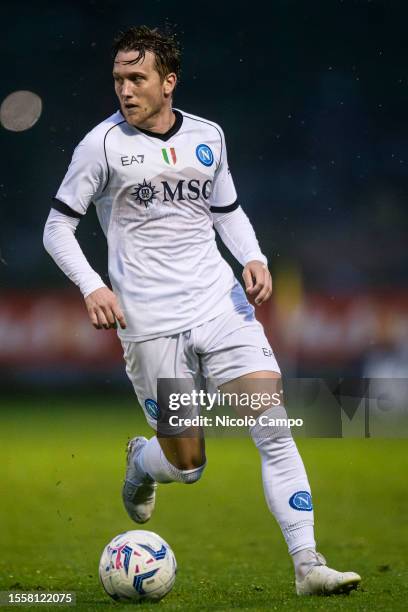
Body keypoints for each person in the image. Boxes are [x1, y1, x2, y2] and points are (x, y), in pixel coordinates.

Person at [43, 25, 361, 596]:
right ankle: (143, 460)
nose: (125, 89)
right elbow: (57, 227)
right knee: (188, 464)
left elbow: (228, 210)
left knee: (273, 428)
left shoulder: (207, 136)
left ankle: (308, 564)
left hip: (220, 304)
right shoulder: (102, 146)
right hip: (148, 323)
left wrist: (254, 257)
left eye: (137, 77)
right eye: (118, 78)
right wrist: (92, 285)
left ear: (169, 81)